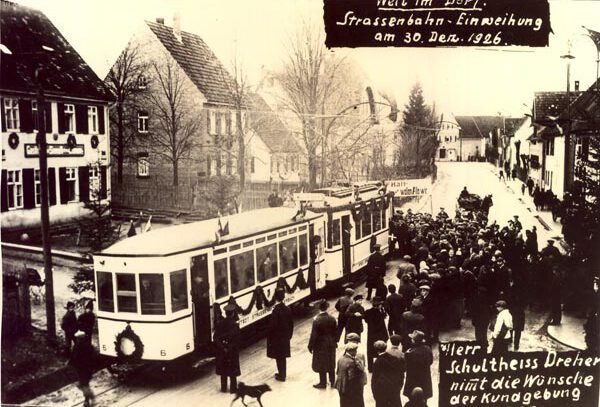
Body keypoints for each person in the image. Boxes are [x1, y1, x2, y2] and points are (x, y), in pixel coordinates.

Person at [308, 300, 337, 389]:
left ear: (319, 308)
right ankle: (332, 382)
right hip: (331, 343)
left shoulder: (317, 320)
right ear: (327, 308)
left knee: (322, 363)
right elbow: (336, 332)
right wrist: (334, 342)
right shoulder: (332, 318)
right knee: (330, 362)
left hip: (321, 345)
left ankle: (323, 383)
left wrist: (310, 346)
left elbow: (314, 335)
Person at [267, 289, 294, 381]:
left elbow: (272, 326)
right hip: (285, 338)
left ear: (275, 298)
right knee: (283, 357)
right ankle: (283, 374)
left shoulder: (275, 311)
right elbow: (291, 324)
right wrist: (289, 335)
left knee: (279, 357)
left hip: (277, 339)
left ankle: (281, 375)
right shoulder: (287, 309)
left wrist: (270, 338)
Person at [214, 303, 241, 392]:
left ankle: (223, 388)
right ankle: (233, 388)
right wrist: (229, 348)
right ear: (233, 313)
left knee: (223, 370)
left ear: (225, 313)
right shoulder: (235, 325)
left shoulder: (220, 324)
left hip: (222, 351)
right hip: (232, 351)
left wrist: (223, 347)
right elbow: (237, 340)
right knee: (232, 370)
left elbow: (215, 338)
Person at [371, 341, 404, 407]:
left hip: (382, 393)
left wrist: (375, 393)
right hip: (394, 391)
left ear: (376, 350)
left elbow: (374, 380)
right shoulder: (395, 359)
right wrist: (399, 387)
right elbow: (401, 375)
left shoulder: (377, 362)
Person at [403, 331, 433, 401]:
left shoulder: (409, 353)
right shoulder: (428, 349)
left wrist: (406, 354)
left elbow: (405, 366)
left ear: (414, 341)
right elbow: (430, 362)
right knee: (424, 397)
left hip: (413, 379)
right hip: (425, 378)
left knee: (413, 397)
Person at [335, 342, 367, 407]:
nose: (356, 352)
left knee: (343, 403)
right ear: (350, 351)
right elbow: (352, 378)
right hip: (349, 388)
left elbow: (337, 372)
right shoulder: (351, 362)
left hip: (340, 386)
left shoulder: (340, 359)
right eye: (355, 350)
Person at [68, 331, 96, 407]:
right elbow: (94, 358)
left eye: (78, 338)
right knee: (84, 384)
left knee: (83, 385)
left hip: (81, 369)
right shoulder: (89, 346)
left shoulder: (77, 347)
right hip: (87, 369)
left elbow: (73, 357)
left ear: (79, 339)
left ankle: (90, 398)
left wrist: (69, 364)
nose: (77, 340)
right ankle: (88, 399)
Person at [364, 296, 389, 372]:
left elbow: (366, 320)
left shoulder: (367, 312)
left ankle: (370, 367)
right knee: (380, 350)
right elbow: (382, 325)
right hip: (379, 334)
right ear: (379, 305)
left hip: (371, 334)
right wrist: (386, 336)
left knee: (370, 350)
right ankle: (381, 367)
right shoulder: (379, 313)